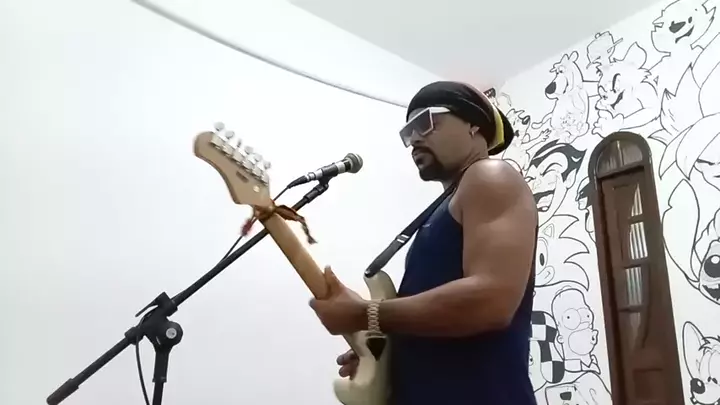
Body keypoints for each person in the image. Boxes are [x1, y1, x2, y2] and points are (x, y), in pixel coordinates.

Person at [309, 81, 539, 405]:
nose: (414, 139)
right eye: (408, 133)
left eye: (425, 122)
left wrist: (366, 314)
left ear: (474, 124)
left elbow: (491, 300)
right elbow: (442, 323)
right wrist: (385, 360)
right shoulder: (443, 210)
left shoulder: (490, 175)